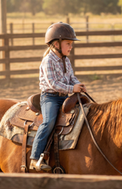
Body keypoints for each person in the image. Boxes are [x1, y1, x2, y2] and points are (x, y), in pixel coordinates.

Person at [29, 22, 87, 172]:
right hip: (50, 97)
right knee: (48, 122)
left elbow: (71, 77)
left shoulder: (65, 60)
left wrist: (78, 85)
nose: (71, 47)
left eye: (71, 44)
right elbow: (53, 84)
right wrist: (71, 88)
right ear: (56, 44)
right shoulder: (48, 61)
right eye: (68, 43)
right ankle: (35, 158)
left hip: (64, 96)